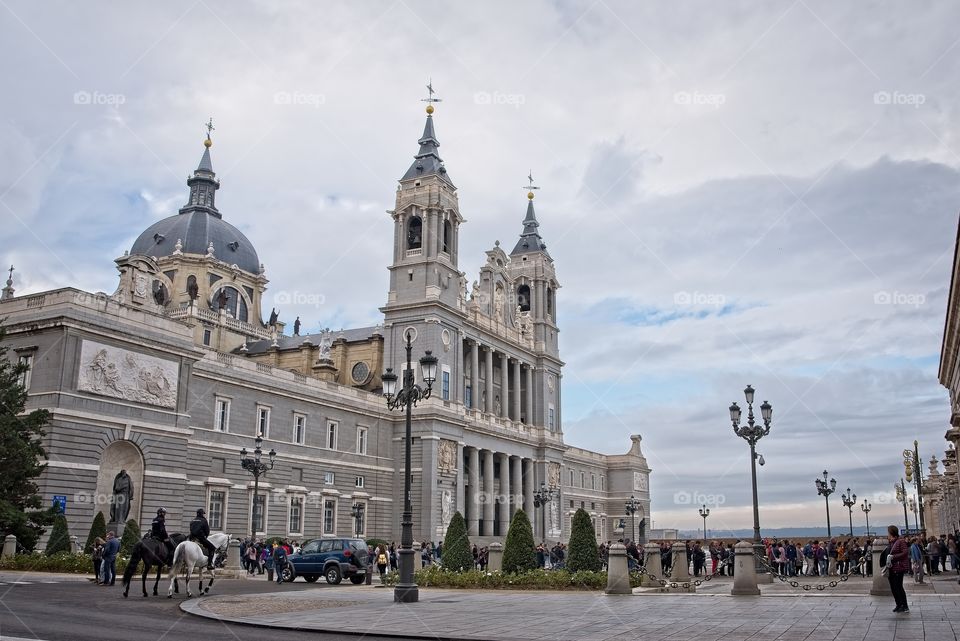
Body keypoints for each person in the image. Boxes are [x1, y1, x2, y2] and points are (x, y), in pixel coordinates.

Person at [887, 525, 911, 613]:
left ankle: (905, 605)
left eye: (888, 533)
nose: (888, 535)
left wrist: (893, 557)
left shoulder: (900, 541)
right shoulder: (891, 542)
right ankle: (898, 604)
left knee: (898, 587)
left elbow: (905, 552)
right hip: (892, 568)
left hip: (898, 567)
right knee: (893, 587)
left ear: (892, 533)